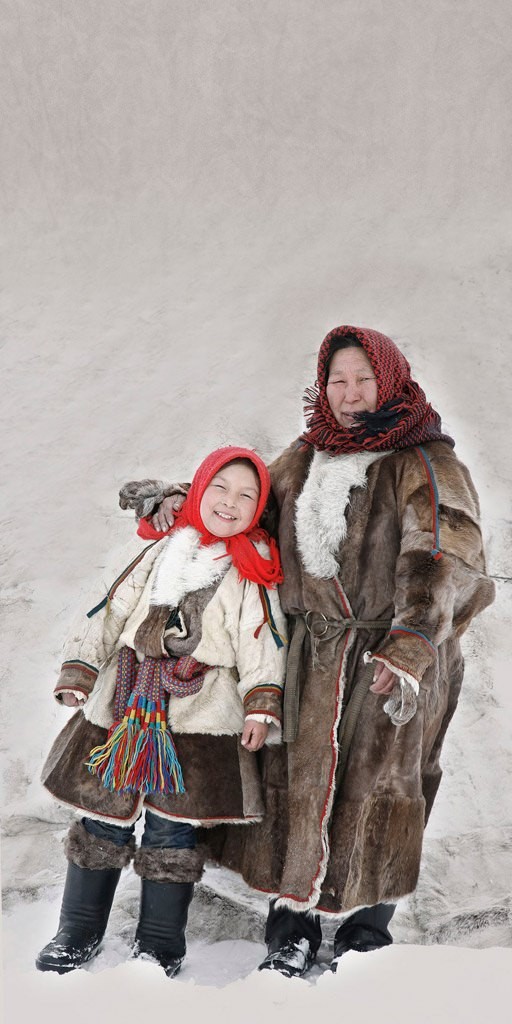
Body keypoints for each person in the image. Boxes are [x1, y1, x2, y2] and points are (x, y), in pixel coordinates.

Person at [118, 326, 495, 977]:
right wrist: (184, 503)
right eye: (337, 381)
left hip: (390, 653)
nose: (350, 394)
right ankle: (289, 927)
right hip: (308, 656)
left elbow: (448, 557)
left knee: (381, 786)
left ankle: (365, 935)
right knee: (295, 783)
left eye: (363, 380)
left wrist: (407, 646)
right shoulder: (306, 453)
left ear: (390, 380)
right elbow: (250, 508)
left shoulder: (427, 462)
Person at [36, 447, 287, 977]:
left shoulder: (250, 565)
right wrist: (80, 668)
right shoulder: (165, 548)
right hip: (125, 702)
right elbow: (114, 605)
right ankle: (76, 933)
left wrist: (260, 704)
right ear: (197, 490)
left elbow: (261, 640)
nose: (230, 502)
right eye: (220, 488)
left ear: (258, 506)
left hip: (198, 716)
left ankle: (159, 946)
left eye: (246, 495)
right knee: (100, 818)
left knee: (172, 830)